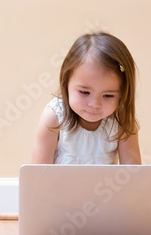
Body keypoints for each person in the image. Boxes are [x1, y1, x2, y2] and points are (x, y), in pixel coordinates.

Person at [30, 31, 141, 165]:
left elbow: (132, 176)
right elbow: (38, 174)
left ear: (123, 93)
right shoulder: (54, 116)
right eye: (84, 92)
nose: (95, 104)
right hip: (59, 186)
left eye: (108, 95)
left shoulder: (122, 122)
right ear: (66, 83)